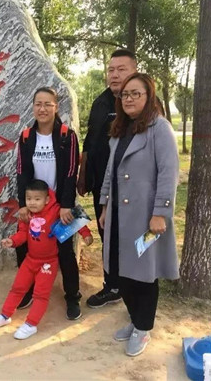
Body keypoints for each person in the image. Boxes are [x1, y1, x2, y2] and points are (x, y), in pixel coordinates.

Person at [98, 73, 179, 356]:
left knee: (143, 273)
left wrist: (161, 213)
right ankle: (135, 320)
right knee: (121, 271)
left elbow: (169, 173)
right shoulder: (120, 129)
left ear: (149, 97)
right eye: (125, 94)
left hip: (145, 216)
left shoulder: (160, 128)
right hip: (118, 215)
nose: (129, 99)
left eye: (136, 93)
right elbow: (110, 172)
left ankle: (143, 329)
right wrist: (104, 205)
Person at [0, 180, 92, 339]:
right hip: (30, 260)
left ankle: (31, 324)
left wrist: (86, 234)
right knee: (17, 287)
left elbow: (75, 220)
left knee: (40, 294)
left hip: (48, 263)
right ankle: (5, 315)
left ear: (47, 199)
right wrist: (12, 241)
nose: (32, 203)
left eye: (37, 199)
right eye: (29, 199)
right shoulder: (26, 214)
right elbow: (23, 233)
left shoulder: (56, 210)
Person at [16, 87, 83, 320]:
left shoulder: (66, 136)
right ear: (33, 107)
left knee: (64, 250)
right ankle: (27, 291)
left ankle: (72, 296)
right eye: (38, 104)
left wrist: (66, 205)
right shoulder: (26, 136)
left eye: (48, 104)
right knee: (25, 245)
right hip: (34, 204)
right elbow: (22, 171)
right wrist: (23, 204)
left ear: (56, 107)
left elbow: (71, 171)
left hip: (58, 205)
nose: (42, 109)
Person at [78, 49, 138, 309]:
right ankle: (112, 286)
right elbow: (90, 141)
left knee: (135, 239)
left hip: (133, 188)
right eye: (111, 70)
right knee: (107, 236)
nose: (115, 75)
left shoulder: (145, 104)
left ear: (134, 71)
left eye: (121, 69)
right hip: (103, 185)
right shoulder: (101, 102)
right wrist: (83, 174)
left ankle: (138, 288)